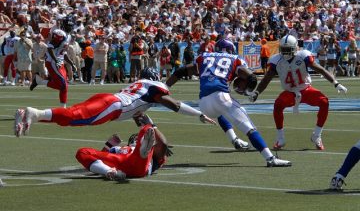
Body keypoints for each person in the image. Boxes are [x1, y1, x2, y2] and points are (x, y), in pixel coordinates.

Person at [166, 40, 291, 167]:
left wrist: (165, 86)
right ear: (230, 49)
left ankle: (234, 139)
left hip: (203, 103)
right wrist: (247, 91)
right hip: (221, 97)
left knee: (221, 112)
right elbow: (252, 78)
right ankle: (270, 158)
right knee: (249, 128)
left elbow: (181, 71)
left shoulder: (203, 56)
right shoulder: (235, 58)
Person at [14, 67, 216, 137]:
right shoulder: (155, 88)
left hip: (108, 100)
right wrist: (198, 114)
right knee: (74, 117)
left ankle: (31, 116)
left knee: (73, 119)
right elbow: (175, 105)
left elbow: (139, 114)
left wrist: (151, 129)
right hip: (113, 106)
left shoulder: (141, 88)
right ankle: (34, 113)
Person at [248, 34, 348, 150]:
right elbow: (267, 78)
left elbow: (320, 69)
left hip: (306, 89)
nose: (285, 52)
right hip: (290, 92)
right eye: (283, 49)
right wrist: (257, 92)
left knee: (324, 102)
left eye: (288, 49)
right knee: (278, 104)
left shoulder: (303, 56)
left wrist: (336, 83)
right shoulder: (276, 60)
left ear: (295, 48)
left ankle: (316, 136)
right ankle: (280, 139)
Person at [76, 122, 172, 180]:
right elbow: (101, 158)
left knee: (147, 128)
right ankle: (110, 172)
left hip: (141, 164)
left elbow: (162, 145)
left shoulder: (154, 153)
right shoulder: (119, 149)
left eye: (138, 138)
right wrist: (109, 145)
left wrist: (162, 148)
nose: (136, 138)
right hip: (121, 164)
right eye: (135, 138)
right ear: (130, 142)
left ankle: (143, 148)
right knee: (82, 152)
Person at [29, 29, 77, 108]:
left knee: (64, 86)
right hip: (53, 63)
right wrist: (56, 60)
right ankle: (40, 81)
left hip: (59, 63)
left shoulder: (66, 37)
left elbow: (63, 53)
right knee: (63, 85)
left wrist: (72, 64)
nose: (53, 39)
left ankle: (63, 108)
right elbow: (50, 48)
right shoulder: (55, 40)